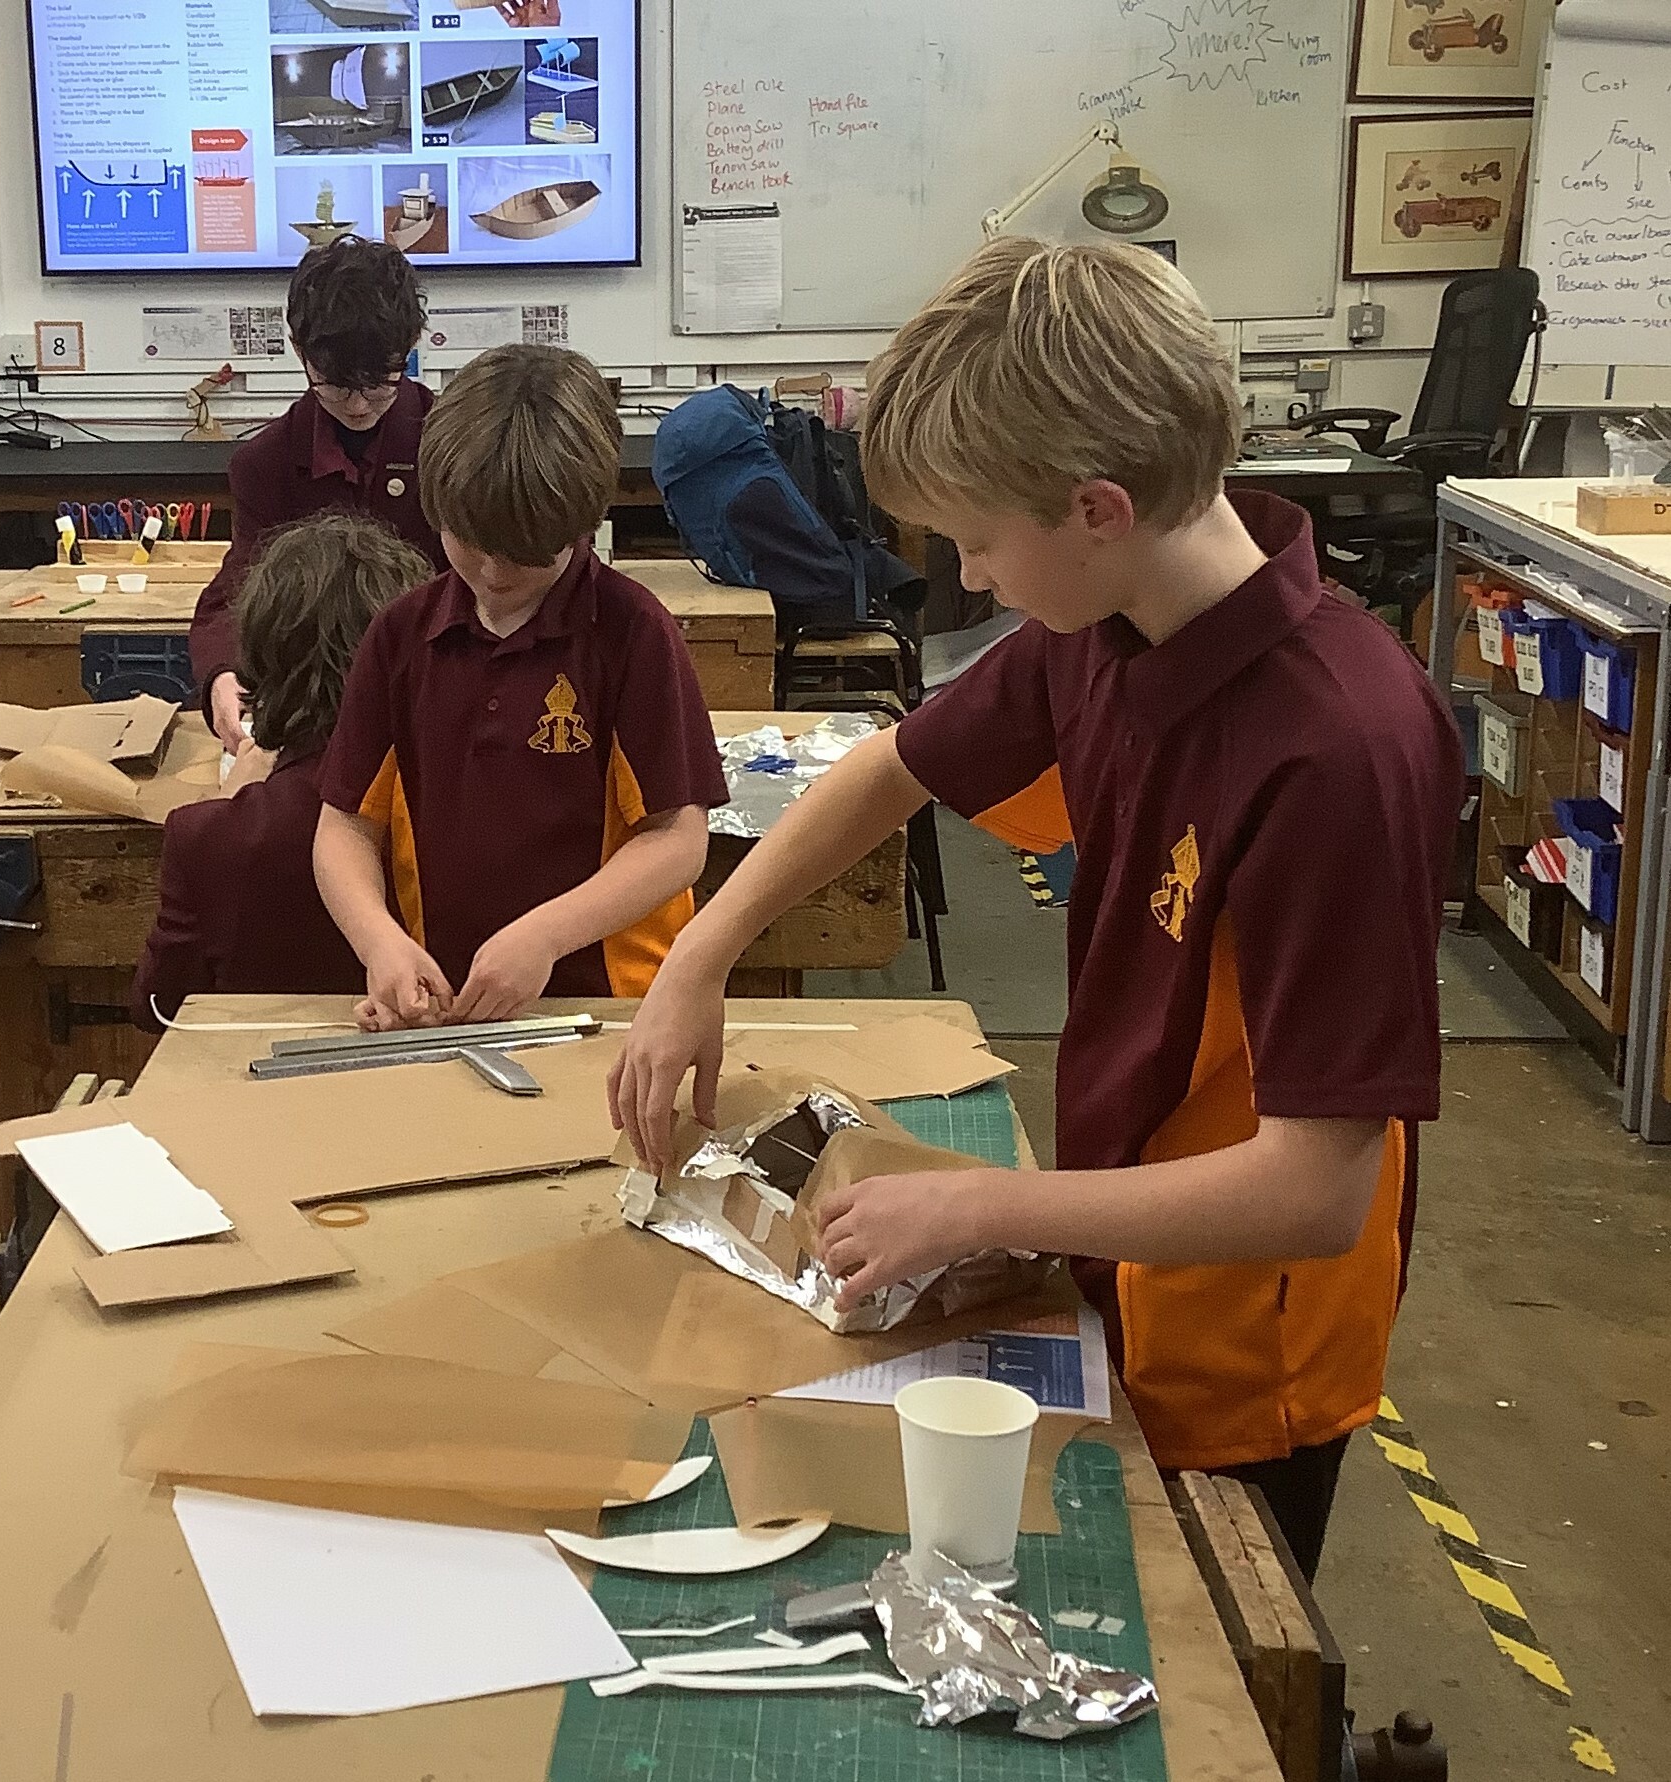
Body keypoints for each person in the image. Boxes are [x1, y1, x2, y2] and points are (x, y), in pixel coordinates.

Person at [608, 239, 1463, 1580]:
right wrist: (699, 954)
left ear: (1096, 507)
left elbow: (1314, 1192)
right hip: (1113, 1231)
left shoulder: (1334, 750)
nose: (975, 577)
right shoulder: (1107, 629)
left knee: (1204, 1628)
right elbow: (893, 768)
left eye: (977, 543)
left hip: (1244, 1333)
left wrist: (982, 1205)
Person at [314, 343, 729, 1031]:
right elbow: (345, 825)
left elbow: (678, 841)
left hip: (609, 1005)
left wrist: (547, 935)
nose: (493, 571)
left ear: (581, 523)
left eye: (526, 552)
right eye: (469, 540)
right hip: (451, 1005)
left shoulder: (632, 633)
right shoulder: (401, 635)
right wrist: (379, 941)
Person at [132, 512, 433, 1027]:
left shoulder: (210, 834)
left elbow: (156, 1008)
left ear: (261, 656)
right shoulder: (467, 803)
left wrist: (228, 802)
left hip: (257, 1071)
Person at [190, 235, 442, 753]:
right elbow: (239, 589)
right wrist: (222, 673)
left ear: (410, 346)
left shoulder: (449, 444)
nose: (357, 405)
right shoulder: (266, 464)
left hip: (434, 696)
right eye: (335, 383)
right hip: (317, 709)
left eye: (379, 382)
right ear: (300, 350)